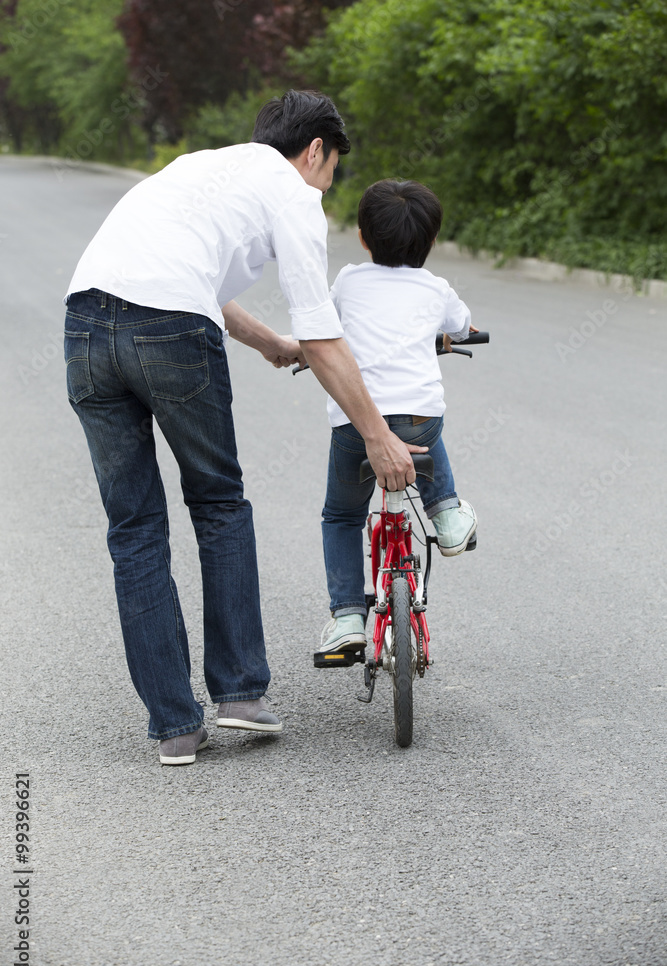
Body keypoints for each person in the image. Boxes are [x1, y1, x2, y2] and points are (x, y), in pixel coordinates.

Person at [64, 90, 426, 765]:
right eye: (330, 170)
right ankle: (238, 697)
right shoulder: (291, 191)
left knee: (134, 528)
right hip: (170, 333)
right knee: (218, 505)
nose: (324, 184)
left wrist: (264, 342)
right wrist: (375, 433)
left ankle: (174, 727)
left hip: (83, 330)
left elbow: (186, 278)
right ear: (314, 151)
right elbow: (321, 335)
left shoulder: (194, 166)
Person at [319, 179, 478, 654]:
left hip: (355, 425)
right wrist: (454, 332)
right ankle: (445, 513)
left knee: (342, 516)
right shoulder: (436, 288)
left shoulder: (348, 280)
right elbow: (461, 326)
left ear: (364, 238)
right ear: (431, 242)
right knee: (425, 420)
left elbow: (326, 323)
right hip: (417, 416)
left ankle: (348, 618)